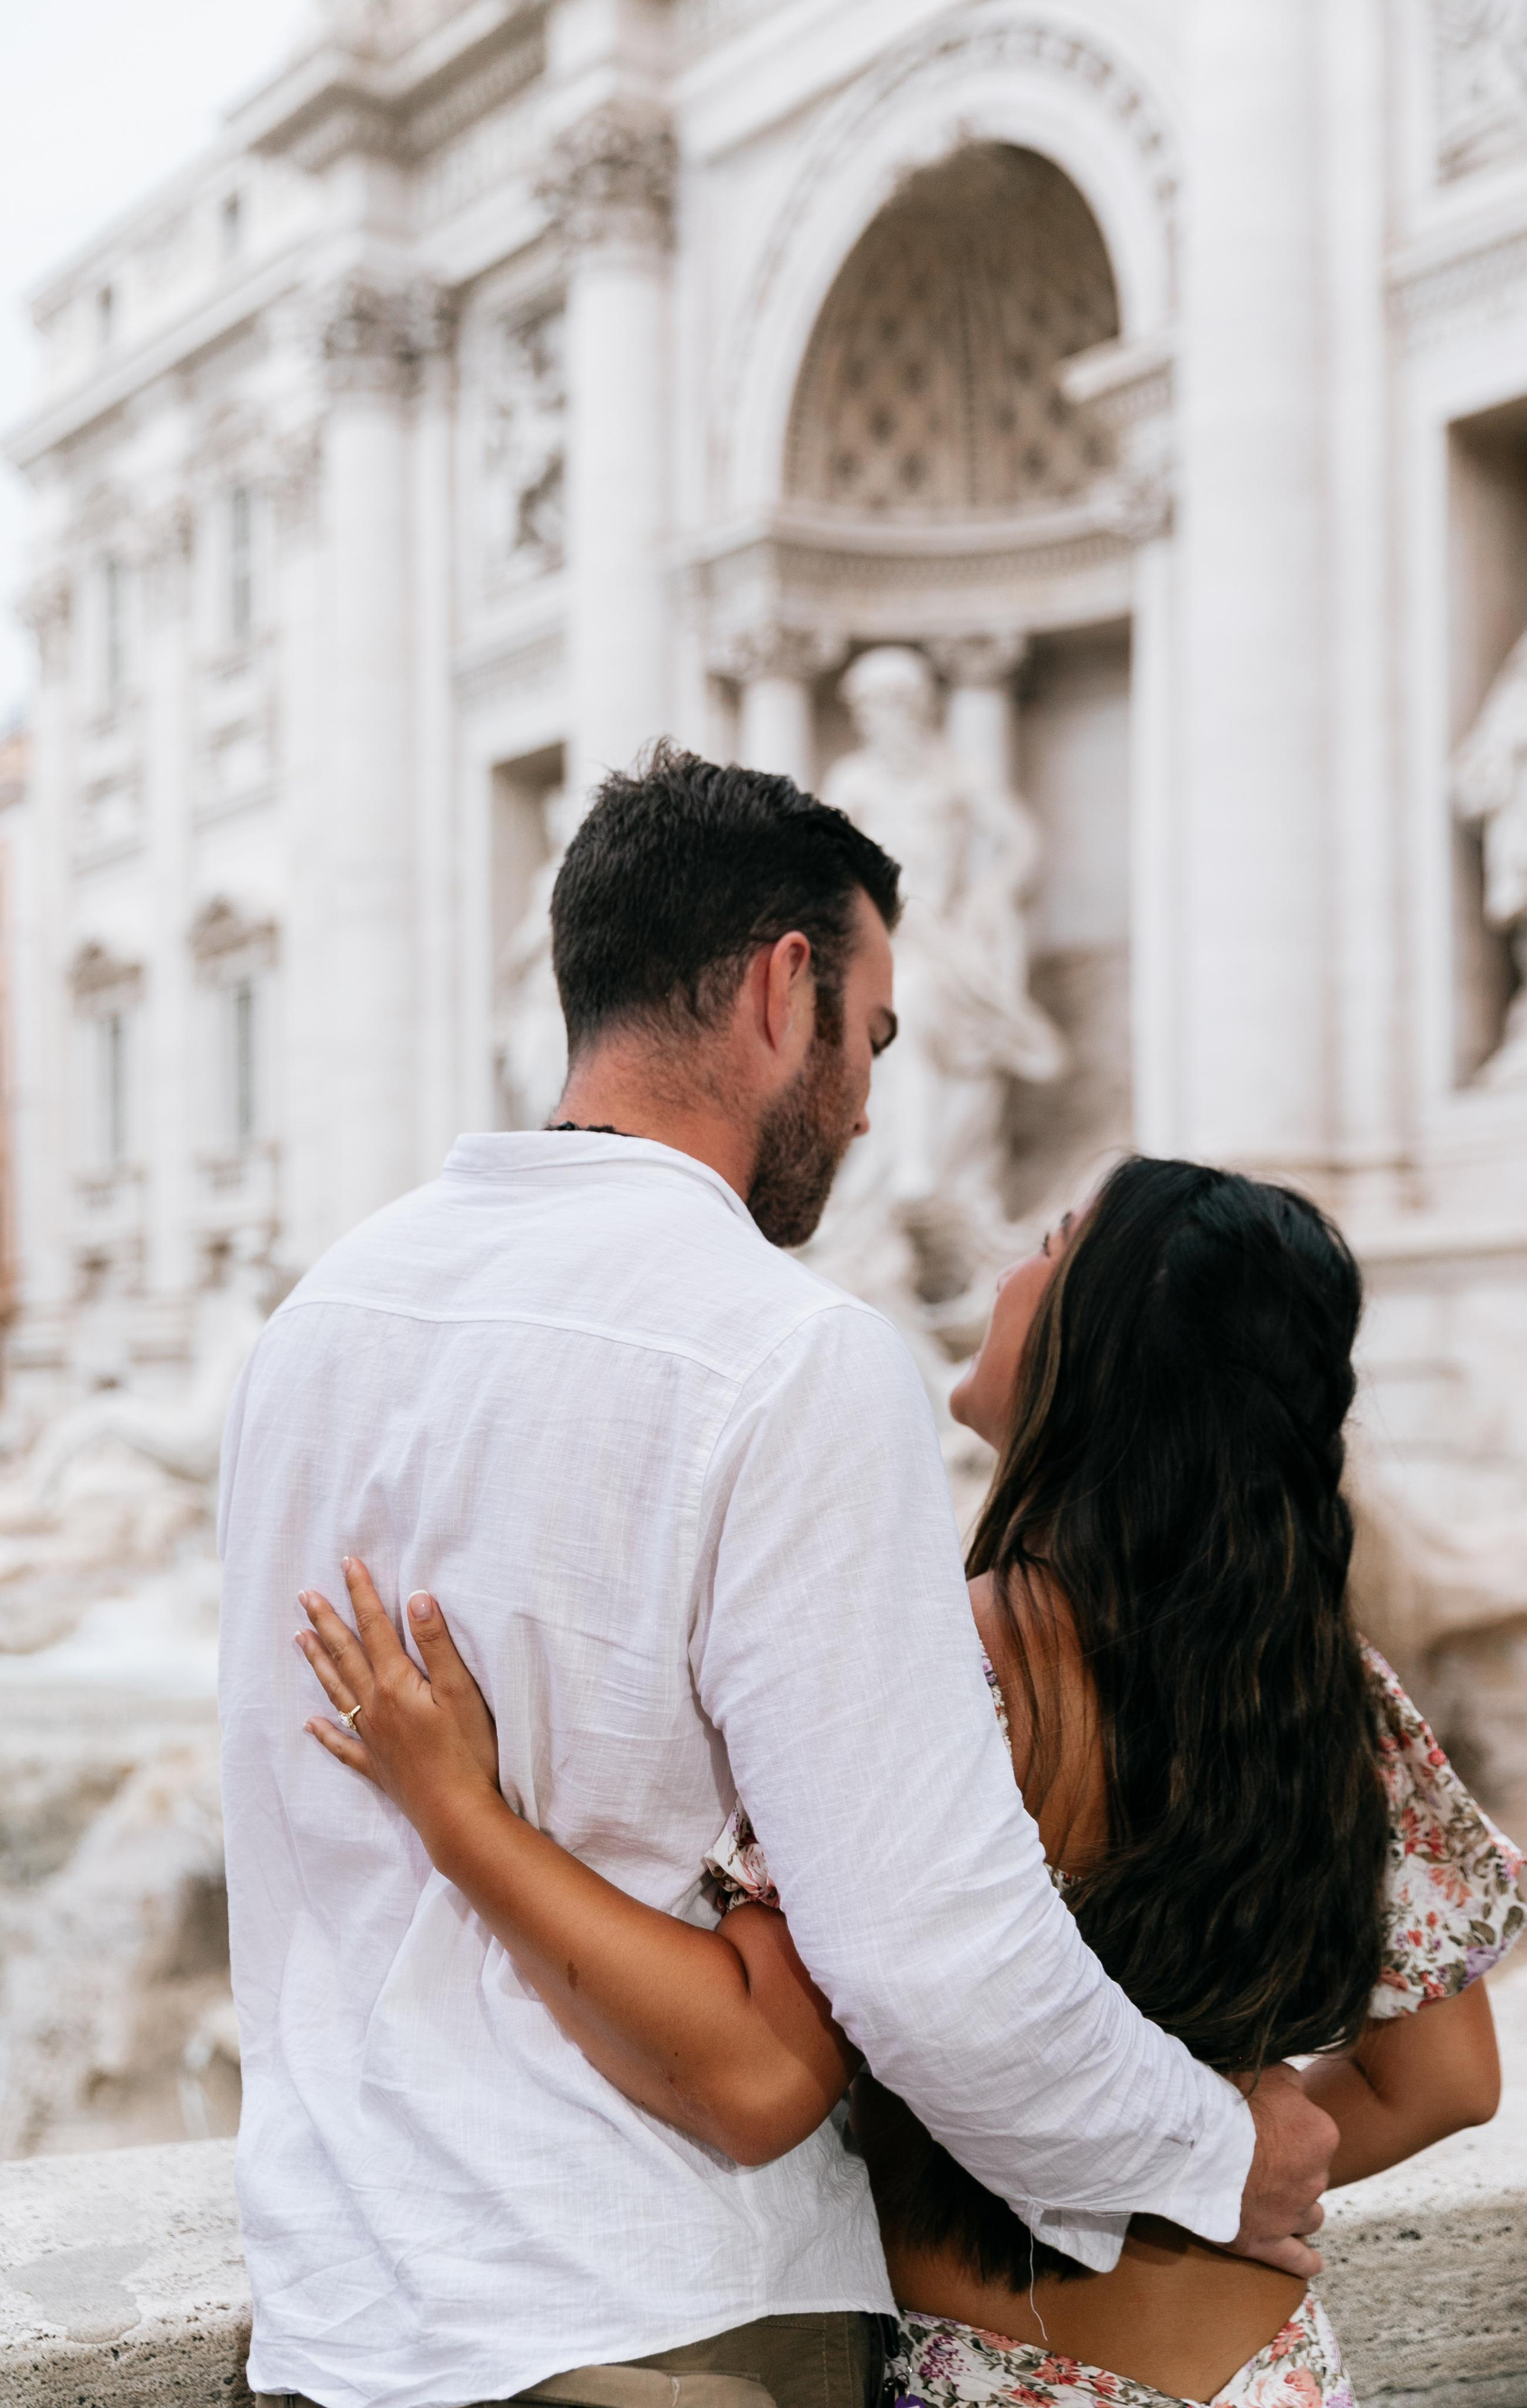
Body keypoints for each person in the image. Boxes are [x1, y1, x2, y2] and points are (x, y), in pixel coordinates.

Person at [219, 751, 1333, 2408]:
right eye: (870, 1038)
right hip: (654, 2315)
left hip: (342, 2321)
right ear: (779, 987)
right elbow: (927, 1949)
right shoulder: (789, 1355)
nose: (871, 1106)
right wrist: (1208, 2150)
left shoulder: (314, 1327)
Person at [295, 1158, 1527, 2408]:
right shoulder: (1328, 1691)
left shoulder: (945, 1674)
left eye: (1047, 1248)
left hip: (1012, 2378)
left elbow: (751, 2072)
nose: (1003, 1273)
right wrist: (1210, 2185)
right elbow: (1444, 2081)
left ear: (1103, 1346)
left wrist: (460, 1813)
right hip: (1275, 2371)